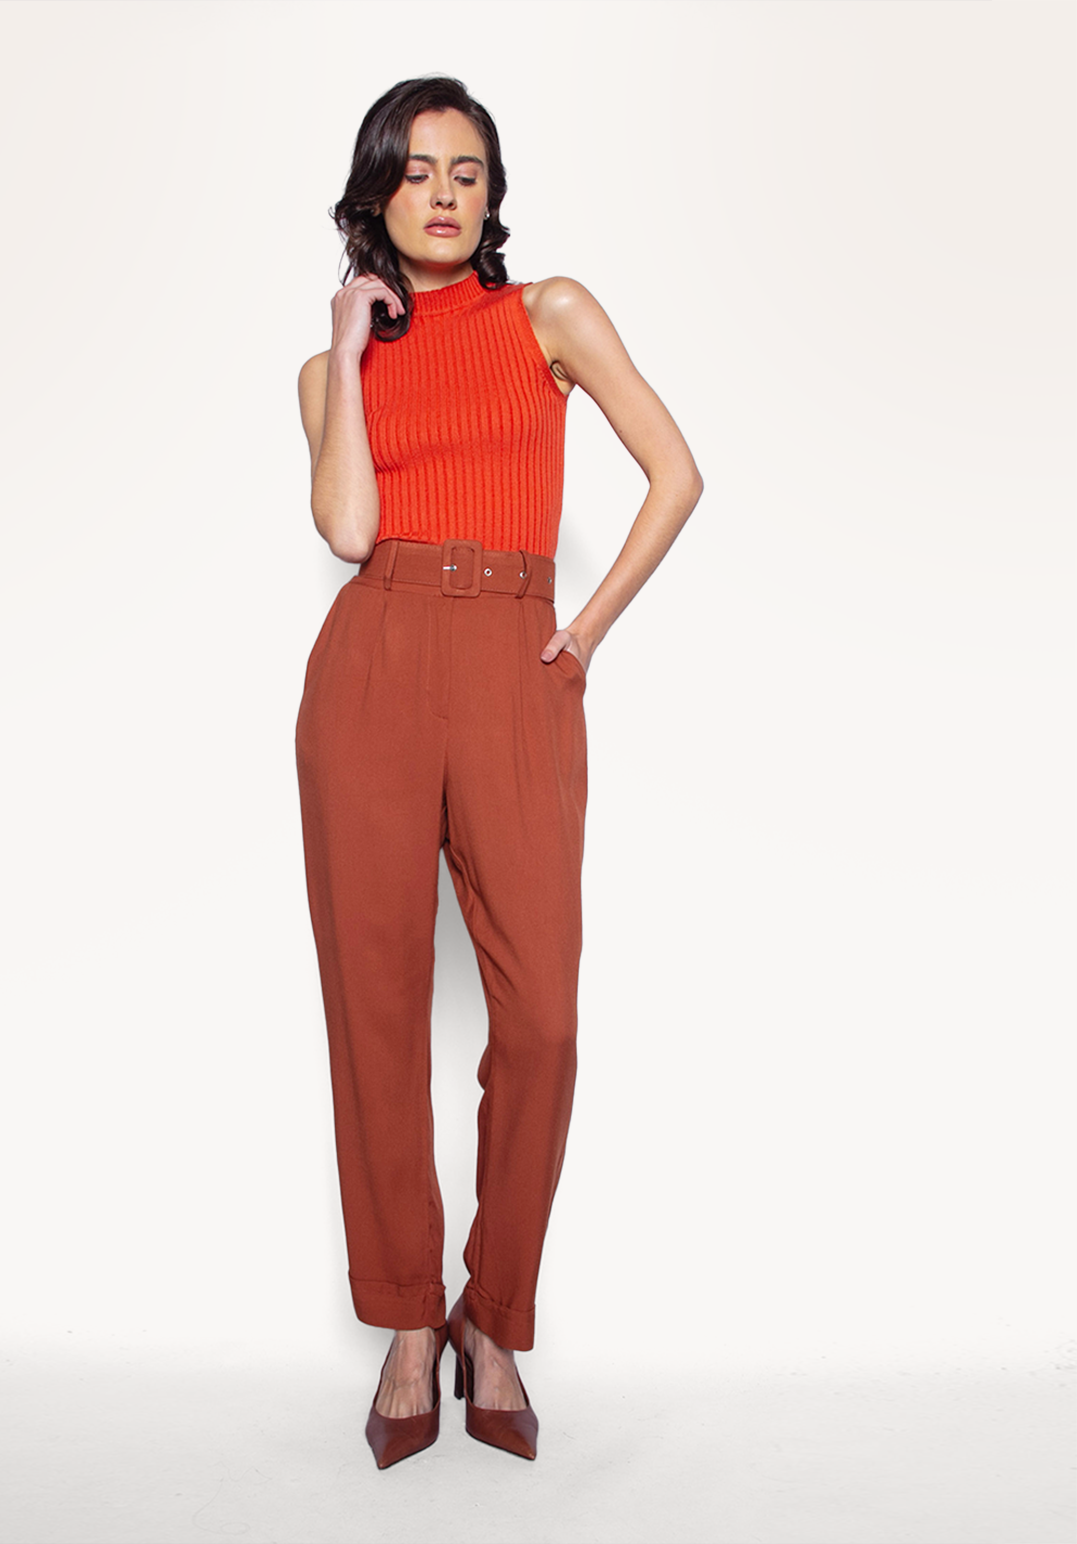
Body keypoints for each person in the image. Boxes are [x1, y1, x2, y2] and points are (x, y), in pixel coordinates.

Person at [294, 75, 703, 1468]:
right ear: (376, 195)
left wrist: (583, 630)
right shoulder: (328, 372)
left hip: (517, 664)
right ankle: (412, 1320)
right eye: (417, 172)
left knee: (541, 1021)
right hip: (372, 668)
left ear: (494, 193)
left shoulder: (550, 315)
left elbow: (677, 474)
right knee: (375, 1007)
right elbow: (349, 531)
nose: (446, 194)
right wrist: (345, 342)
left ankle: (497, 1310)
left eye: (468, 171)